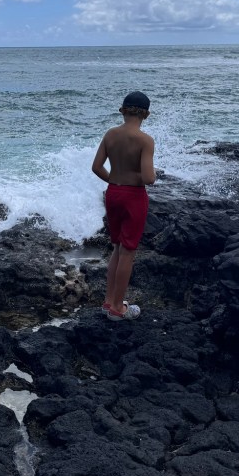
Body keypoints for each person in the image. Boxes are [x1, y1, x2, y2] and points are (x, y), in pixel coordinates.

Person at [91, 91, 156, 321]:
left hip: (113, 193)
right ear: (146, 114)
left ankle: (109, 302)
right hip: (133, 197)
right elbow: (148, 178)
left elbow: (96, 167)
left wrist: (115, 179)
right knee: (128, 251)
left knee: (117, 248)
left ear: (123, 110)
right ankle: (118, 308)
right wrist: (150, 174)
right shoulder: (145, 140)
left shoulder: (110, 134)